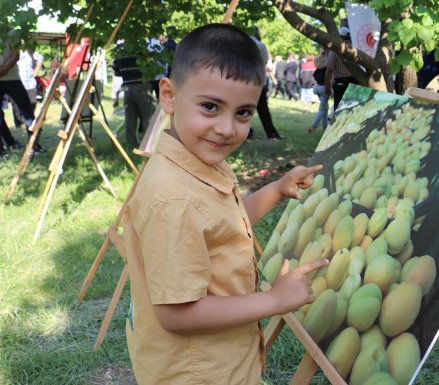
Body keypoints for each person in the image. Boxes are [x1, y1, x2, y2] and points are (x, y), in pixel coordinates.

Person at [123, 24, 328, 385]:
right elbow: (177, 314)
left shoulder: (200, 158)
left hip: (226, 359)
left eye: (243, 113)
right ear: (168, 96)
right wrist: (274, 301)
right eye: (210, 106)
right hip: (198, 373)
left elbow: (224, 223)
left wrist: (277, 189)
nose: (226, 128)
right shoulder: (174, 198)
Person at [0, 44, 35, 157]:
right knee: (26, 110)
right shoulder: (10, 30)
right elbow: (16, 54)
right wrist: (2, 70)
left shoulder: (9, 31)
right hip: (10, 78)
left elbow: (16, 54)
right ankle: (34, 145)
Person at [112, 48, 157, 149]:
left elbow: (116, 73)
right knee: (148, 116)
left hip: (127, 88)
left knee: (130, 118)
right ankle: (148, 145)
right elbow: (152, 68)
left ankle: (133, 144)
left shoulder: (119, 55)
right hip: (142, 86)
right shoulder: (143, 53)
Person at [247, 27, 283, 140]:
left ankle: (246, 132)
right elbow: (265, 62)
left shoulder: (239, 44)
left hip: (241, 81)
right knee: (263, 110)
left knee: (240, 109)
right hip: (257, 81)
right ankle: (271, 133)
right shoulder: (260, 45)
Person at [325, 27, 358, 121]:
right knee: (353, 108)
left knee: (339, 109)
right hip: (355, 81)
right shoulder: (355, 48)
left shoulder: (335, 50)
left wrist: (327, 86)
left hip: (341, 83)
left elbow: (329, 70)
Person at [309, 50, 329, 133]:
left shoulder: (318, 69)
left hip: (317, 88)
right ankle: (313, 127)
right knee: (321, 109)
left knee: (325, 108)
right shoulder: (327, 67)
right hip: (324, 88)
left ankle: (325, 126)